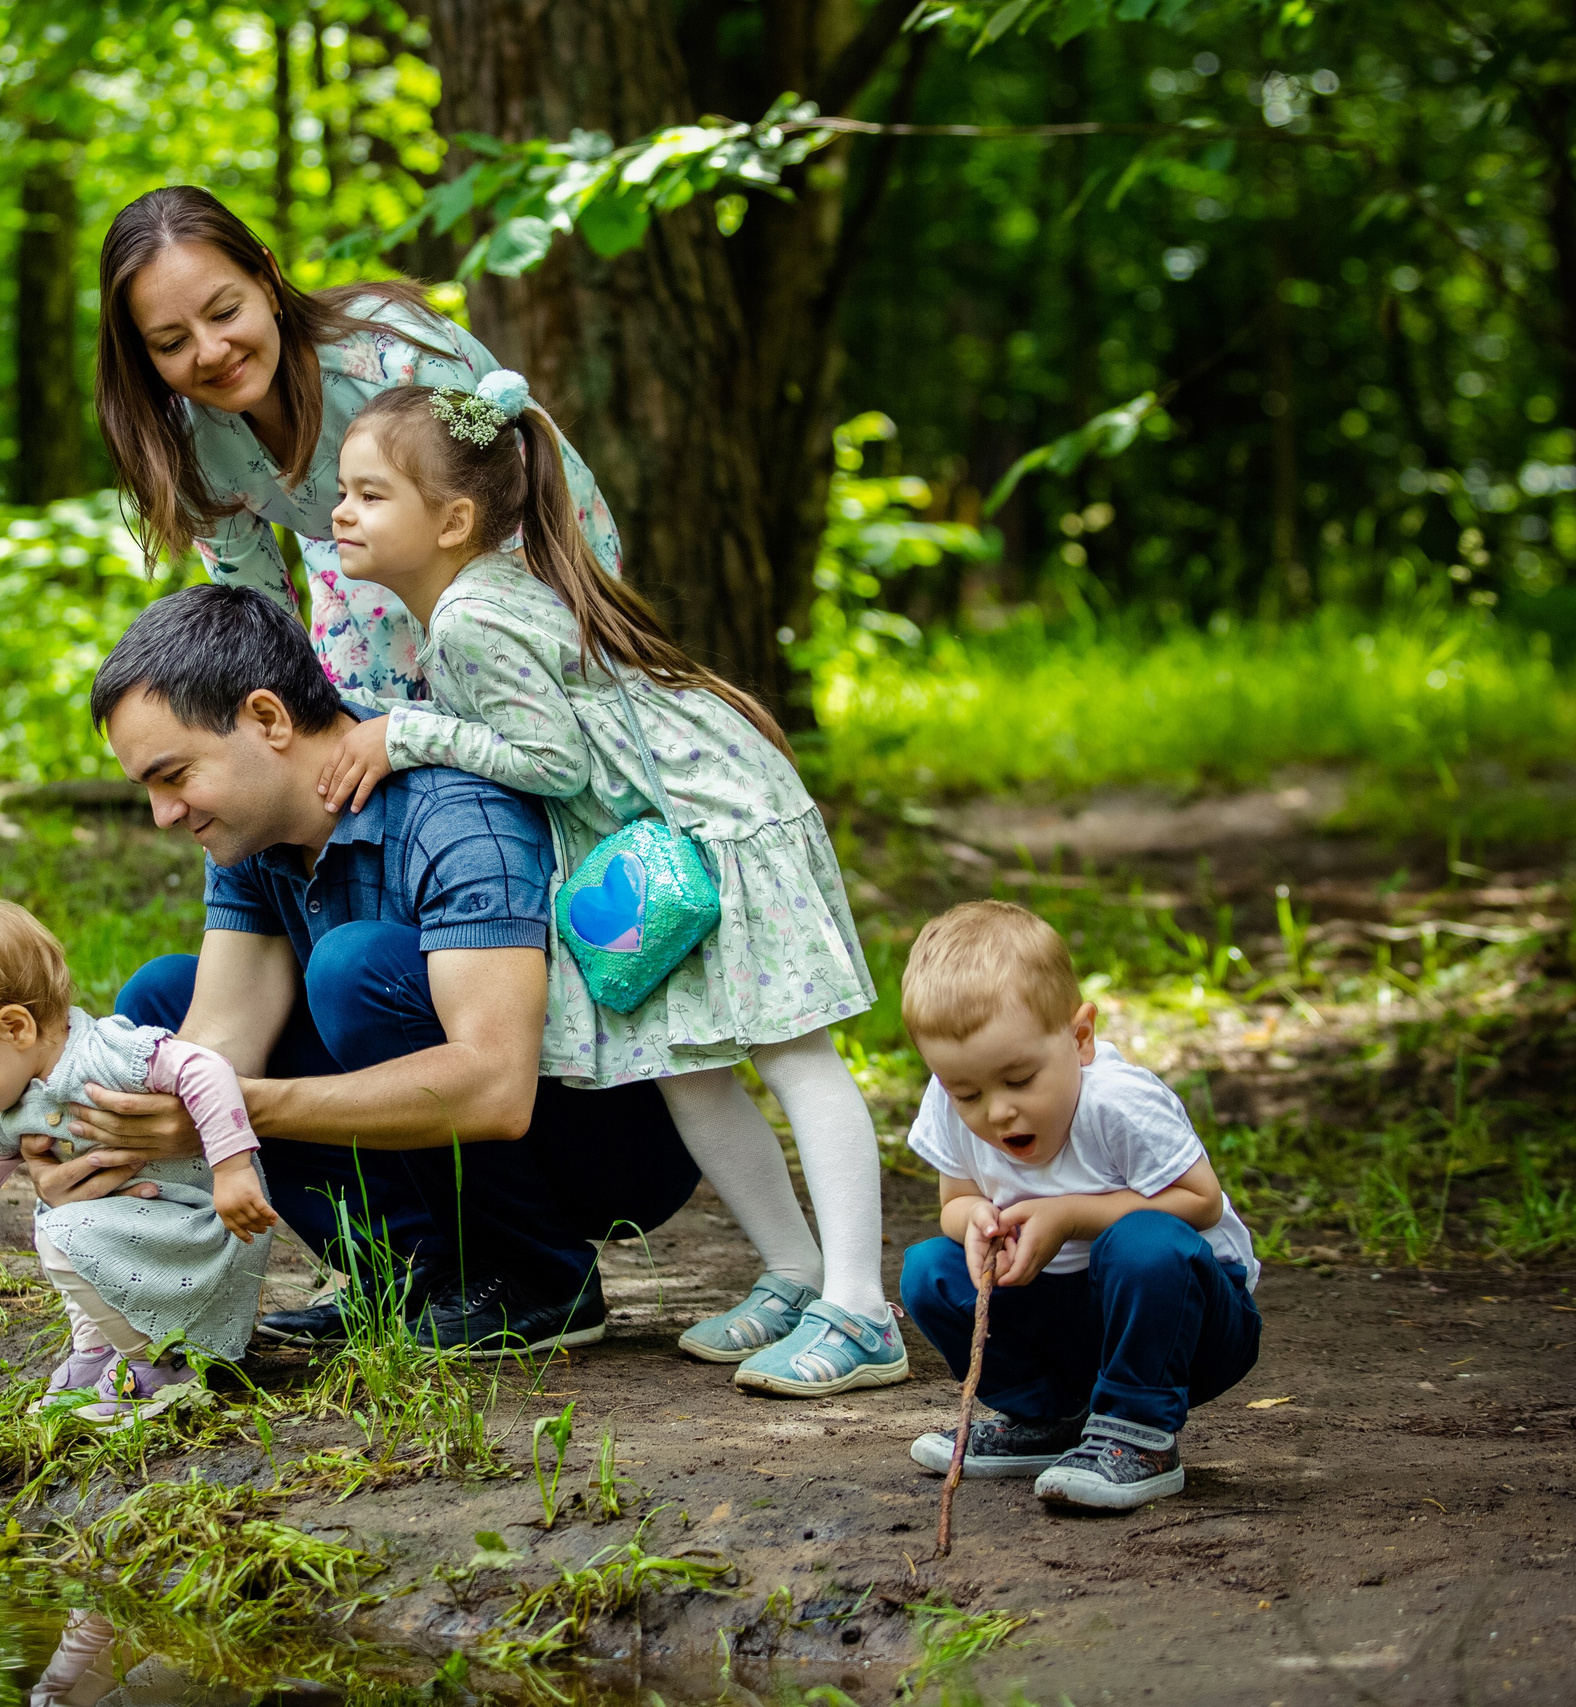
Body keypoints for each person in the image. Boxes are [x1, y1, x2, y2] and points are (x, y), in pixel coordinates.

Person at [307, 375, 900, 1397]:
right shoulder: (479, 597)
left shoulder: (471, 623)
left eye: (368, 495)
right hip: (654, 841)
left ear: (450, 520)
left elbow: (551, 764)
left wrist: (406, 735)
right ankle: (794, 1272)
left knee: (793, 1050)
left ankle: (861, 1309)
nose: (340, 512)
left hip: (717, 819)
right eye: (346, 492)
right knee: (686, 1063)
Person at [48, 581, 705, 1354]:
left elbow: (497, 1088)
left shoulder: (447, 807)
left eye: (175, 775)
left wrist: (234, 1109)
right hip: (477, 1091)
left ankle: (542, 1277)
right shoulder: (247, 834)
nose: (163, 813)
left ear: (268, 718)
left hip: (606, 1138)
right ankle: (408, 1275)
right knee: (163, 1000)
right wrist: (87, 1133)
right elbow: (224, 1032)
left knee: (352, 968)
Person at [95, 185, 623, 705]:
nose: (210, 352)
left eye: (225, 313)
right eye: (172, 343)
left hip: (514, 525)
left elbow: (481, 524)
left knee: (527, 706)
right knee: (348, 722)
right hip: (360, 554)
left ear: (268, 280)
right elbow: (264, 619)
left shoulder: (394, 357)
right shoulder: (189, 447)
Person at [0, 898, 277, 1426]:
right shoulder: (3, 1109)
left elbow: (206, 1069)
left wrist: (232, 1168)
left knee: (62, 1232)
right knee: (60, 1223)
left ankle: (161, 1364)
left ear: (15, 1028)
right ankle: (99, 1351)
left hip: (200, 1224)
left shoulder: (107, 1055)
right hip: (138, 1234)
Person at [896, 900, 1264, 1510]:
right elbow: (955, 1203)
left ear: (1081, 1037)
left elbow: (1200, 1202)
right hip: (1065, 1318)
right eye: (967, 1092)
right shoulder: (950, 1102)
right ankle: (1050, 1420)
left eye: (1019, 1080)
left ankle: (1139, 1434)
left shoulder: (1117, 1105)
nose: (996, 1111)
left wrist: (1071, 1215)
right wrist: (976, 1223)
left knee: (1144, 1243)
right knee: (928, 1269)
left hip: (1184, 1320)